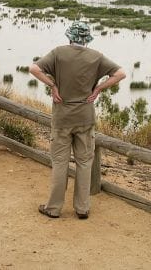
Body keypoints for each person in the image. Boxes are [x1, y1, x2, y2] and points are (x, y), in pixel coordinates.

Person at [30, 21, 126, 219]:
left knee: (59, 163)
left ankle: (54, 208)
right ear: (87, 39)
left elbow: (34, 69)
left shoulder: (58, 53)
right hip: (85, 117)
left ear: (69, 36)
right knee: (84, 162)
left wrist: (52, 86)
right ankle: (82, 208)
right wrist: (99, 88)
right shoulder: (96, 57)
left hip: (62, 117)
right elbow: (121, 73)